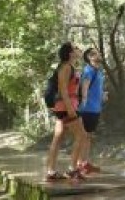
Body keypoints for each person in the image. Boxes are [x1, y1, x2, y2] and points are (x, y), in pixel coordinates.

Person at [46, 42, 87, 181]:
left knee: (57, 139)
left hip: (64, 106)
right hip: (66, 107)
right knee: (81, 136)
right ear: (70, 53)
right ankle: (72, 169)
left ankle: (51, 172)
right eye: (75, 48)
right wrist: (70, 109)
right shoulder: (66, 67)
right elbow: (63, 89)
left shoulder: (69, 67)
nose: (78, 49)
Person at [78, 47, 106, 174]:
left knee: (89, 136)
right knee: (83, 136)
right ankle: (79, 164)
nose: (98, 55)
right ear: (89, 57)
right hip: (87, 109)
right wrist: (82, 105)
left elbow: (95, 89)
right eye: (94, 53)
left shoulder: (98, 71)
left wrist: (103, 95)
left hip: (95, 108)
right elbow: (84, 88)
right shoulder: (88, 70)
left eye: (98, 53)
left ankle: (85, 163)